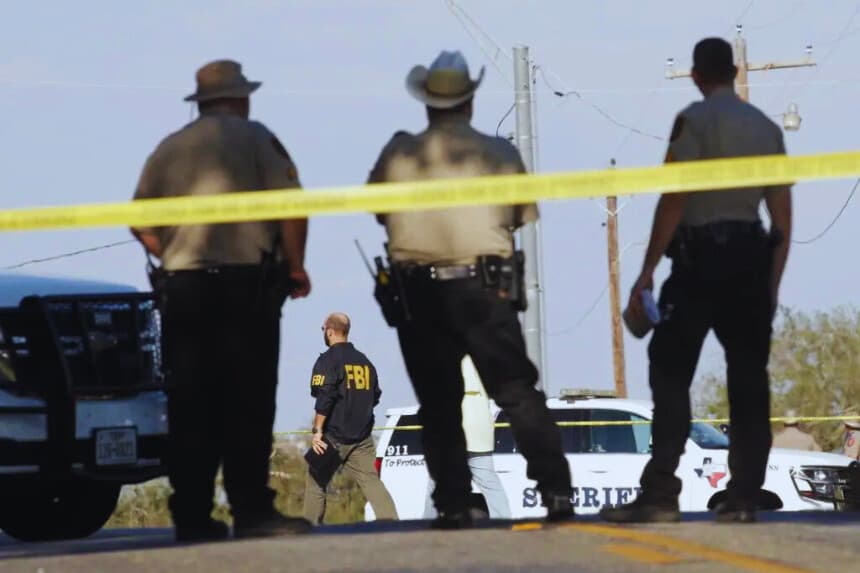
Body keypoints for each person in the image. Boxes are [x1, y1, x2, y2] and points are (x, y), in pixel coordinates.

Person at [367, 50, 573, 528]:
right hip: (486, 291)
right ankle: (556, 494)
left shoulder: (399, 154)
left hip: (421, 292)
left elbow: (379, 211)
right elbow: (521, 217)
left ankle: (455, 503)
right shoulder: (499, 153)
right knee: (517, 393)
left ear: (425, 103)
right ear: (470, 101)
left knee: (438, 403)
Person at [599, 38, 792, 525]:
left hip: (698, 261)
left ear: (696, 76)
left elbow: (675, 199)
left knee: (669, 371)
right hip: (749, 260)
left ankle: (662, 492)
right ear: (735, 70)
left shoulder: (693, 121)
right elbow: (782, 220)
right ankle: (744, 495)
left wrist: (647, 271)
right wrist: (771, 286)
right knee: (749, 380)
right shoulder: (766, 128)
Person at [130, 60, 312, 541]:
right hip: (244, 288)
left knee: (191, 405)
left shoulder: (168, 148)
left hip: (184, 291)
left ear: (202, 101)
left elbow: (140, 221)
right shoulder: (257, 139)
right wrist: (295, 266)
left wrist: (172, 254)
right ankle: (251, 510)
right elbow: (292, 207)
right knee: (247, 401)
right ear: (242, 97)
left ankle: (191, 516)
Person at [303, 313, 399, 525]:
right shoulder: (365, 361)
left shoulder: (327, 360)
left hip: (333, 436)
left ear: (329, 330)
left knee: (316, 481)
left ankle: (310, 530)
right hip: (362, 437)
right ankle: (393, 524)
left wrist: (318, 430)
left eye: (323, 329)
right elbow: (375, 396)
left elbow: (324, 397)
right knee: (371, 482)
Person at [423, 355, 512, 520]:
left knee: (437, 479)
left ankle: (428, 521)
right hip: (479, 428)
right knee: (490, 483)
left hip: (453, 427)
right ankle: (503, 519)